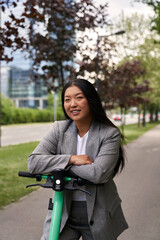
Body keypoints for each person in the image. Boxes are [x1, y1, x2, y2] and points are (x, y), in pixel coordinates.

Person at [28, 78, 128, 240]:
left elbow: (98, 173)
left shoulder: (109, 134)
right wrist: (72, 159)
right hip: (64, 210)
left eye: (79, 97)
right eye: (67, 100)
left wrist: (59, 168)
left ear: (91, 100)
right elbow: (33, 162)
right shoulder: (59, 129)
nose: (72, 104)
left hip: (99, 210)